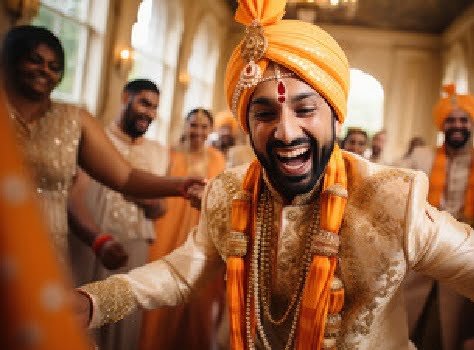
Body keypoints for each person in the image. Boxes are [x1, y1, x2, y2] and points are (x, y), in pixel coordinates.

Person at [75, 1, 474, 349]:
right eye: (265, 114)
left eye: (304, 110)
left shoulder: (389, 197)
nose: (285, 132)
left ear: (335, 115)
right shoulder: (230, 192)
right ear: (247, 125)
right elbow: (184, 271)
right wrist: (96, 301)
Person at [0, 25, 202, 265]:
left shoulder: (74, 121)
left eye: (54, 67)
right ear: (9, 61)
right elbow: (78, 197)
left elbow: (126, 177)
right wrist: (97, 238)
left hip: (45, 248)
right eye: (35, 61)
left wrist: (181, 185)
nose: (44, 70)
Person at [67, 79, 169, 350]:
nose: (150, 113)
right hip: (92, 244)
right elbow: (73, 196)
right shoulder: (95, 138)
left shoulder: (158, 152)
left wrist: (142, 196)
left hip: (134, 249)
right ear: (125, 97)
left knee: (124, 327)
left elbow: (162, 208)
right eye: (144, 103)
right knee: (82, 320)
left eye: (155, 108)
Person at [140, 108, 227, 350]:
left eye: (203, 127)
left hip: (203, 233)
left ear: (210, 131)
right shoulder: (170, 155)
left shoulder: (218, 159)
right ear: (185, 127)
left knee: (199, 298)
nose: (197, 131)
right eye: (193, 125)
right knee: (162, 288)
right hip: (168, 230)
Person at [402, 84, 474, 350]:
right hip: (422, 252)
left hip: (464, 255)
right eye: (451, 120)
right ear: (442, 125)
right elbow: (394, 183)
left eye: (463, 120)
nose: (456, 125)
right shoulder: (423, 156)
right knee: (411, 325)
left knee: (451, 331)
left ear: (471, 124)